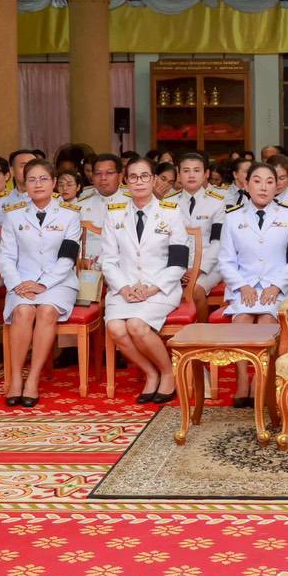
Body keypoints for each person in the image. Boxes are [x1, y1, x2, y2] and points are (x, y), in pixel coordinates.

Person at [99, 156, 191, 405]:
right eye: (133, 177)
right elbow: (108, 260)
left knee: (136, 325)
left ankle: (168, 373)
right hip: (125, 288)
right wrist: (124, 288)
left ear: (153, 180)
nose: (139, 182)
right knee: (115, 327)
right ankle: (151, 373)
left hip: (160, 288)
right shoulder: (114, 214)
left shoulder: (170, 212)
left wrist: (152, 289)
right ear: (125, 181)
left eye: (144, 176)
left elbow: (178, 261)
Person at [214, 161, 288, 405]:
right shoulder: (233, 217)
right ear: (246, 185)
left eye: (269, 182)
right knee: (242, 321)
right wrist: (242, 286)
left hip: (277, 287)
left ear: (277, 187)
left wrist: (276, 286)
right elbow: (225, 261)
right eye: (257, 181)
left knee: (266, 321)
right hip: (243, 286)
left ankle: (259, 379)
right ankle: (243, 380)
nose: (263, 187)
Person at [0, 158, 82, 407]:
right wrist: (17, 284)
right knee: (23, 311)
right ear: (24, 183)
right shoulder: (13, 216)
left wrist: (44, 284)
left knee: (46, 311)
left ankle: (33, 379)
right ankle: (16, 378)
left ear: (54, 182)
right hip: (22, 281)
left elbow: (68, 258)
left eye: (43, 179)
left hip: (59, 282)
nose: (38, 184)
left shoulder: (70, 215)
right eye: (32, 179)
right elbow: (6, 257)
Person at [173, 152, 229, 298]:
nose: (191, 175)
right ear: (178, 174)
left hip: (209, 266)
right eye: (186, 171)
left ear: (206, 174)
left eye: (197, 170)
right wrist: (178, 270)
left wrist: (199, 269)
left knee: (195, 290)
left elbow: (217, 242)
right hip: (176, 266)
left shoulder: (217, 202)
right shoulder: (168, 203)